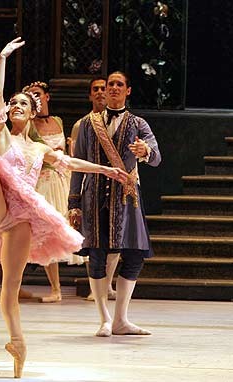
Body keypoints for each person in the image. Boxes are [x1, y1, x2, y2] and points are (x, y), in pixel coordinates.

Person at [0, 38, 129, 378]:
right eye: (13, 104)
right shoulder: (2, 132)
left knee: (10, 287)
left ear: (33, 112)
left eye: (23, 103)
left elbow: (69, 162)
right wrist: (3, 59)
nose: (16, 106)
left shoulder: (38, 149)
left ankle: (18, 344)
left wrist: (106, 169)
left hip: (19, 218)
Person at [68, 71, 161, 338]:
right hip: (94, 195)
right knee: (97, 255)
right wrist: (74, 202)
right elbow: (78, 164)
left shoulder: (138, 123)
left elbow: (157, 157)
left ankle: (121, 318)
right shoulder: (88, 124)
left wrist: (145, 152)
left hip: (127, 198)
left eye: (120, 84)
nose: (114, 88)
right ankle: (104, 319)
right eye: (111, 84)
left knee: (134, 254)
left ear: (128, 90)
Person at [70, 77, 119, 302]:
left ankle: (107, 284)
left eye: (103, 88)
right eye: (95, 89)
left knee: (116, 240)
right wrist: (74, 199)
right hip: (92, 187)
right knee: (93, 240)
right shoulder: (83, 125)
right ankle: (97, 287)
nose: (100, 92)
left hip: (117, 188)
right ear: (90, 95)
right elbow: (77, 161)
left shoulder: (126, 121)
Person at [23, 80, 71, 303]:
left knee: (65, 229)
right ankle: (55, 288)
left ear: (47, 97)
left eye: (38, 94)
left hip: (62, 182)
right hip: (42, 182)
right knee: (43, 233)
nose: (35, 98)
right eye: (30, 96)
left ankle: (59, 289)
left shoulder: (58, 121)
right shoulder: (28, 125)